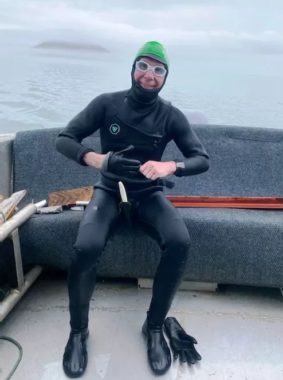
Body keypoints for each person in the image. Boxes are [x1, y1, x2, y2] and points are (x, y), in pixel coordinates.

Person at [55, 40, 209, 378]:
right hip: (109, 191)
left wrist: (171, 167)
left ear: (165, 77)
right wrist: (99, 159)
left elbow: (201, 159)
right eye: (144, 66)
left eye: (158, 70)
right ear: (133, 68)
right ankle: (78, 332)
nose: (149, 75)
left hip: (148, 194)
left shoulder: (170, 115)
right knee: (85, 247)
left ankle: (154, 328)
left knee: (180, 241)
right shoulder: (106, 104)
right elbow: (65, 138)